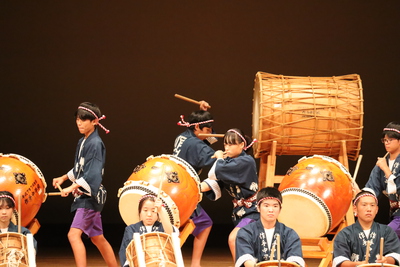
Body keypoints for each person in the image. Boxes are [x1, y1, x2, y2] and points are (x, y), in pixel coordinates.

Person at [52, 102, 118, 267]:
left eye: (84, 119)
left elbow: (92, 174)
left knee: (73, 235)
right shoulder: (83, 141)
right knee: (97, 238)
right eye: (77, 119)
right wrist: (63, 178)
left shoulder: (95, 143)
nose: (79, 123)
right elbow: (80, 168)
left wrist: (71, 187)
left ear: (95, 121)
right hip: (86, 195)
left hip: (89, 196)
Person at [173, 100, 220, 267]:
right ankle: (194, 264)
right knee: (204, 223)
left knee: (177, 227)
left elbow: (208, 140)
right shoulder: (195, 144)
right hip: (183, 191)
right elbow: (214, 158)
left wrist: (202, 113)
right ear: (197, 128)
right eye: (207, 130)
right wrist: (224, 155)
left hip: (173, 186)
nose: (210, 133)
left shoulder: (184, 136)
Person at [204, 128, 259, 261]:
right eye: (225, 144)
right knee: (242, 245)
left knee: (235, 239)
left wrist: (219, 157)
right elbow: (214, 181)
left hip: (253, 210)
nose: (227, 148)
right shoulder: (228, 162)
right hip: (239, 211)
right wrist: (193, 187)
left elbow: (216, 172)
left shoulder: (246, 161)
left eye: (231, 144)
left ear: (241, 145)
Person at [235, 187, 304, 267]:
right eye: (266, 206)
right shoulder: (246, 232)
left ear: (280, 209)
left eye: (275, 206)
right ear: (258, 208)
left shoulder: (289, 233)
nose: (271, 210)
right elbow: (246, 259)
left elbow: (295, 259)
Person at [333, 190, 400, 267]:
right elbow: (339, 260)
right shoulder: (345, 234)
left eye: (372, 205)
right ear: (355, 209)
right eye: (364, 205)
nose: (369, 209)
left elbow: (395, 256)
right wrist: (356, 265)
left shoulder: (387, 231)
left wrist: (386, 260)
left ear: (376, 209)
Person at [363, 121, 400, 238]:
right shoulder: (381, 164)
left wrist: (386, 170)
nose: (386, 142)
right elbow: (372, 187)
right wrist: (362, 197)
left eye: (390, 139)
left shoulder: (383, 165)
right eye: (385, 140)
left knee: (384, 236)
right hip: (395, 213)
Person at [118, 194, 176, 267]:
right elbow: (125, 252)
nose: (149, 214)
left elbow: (171, 235)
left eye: (153, 211)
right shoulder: (131, 229)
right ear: (140, 212)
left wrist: (160, 210)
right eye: (145, 210)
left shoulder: (163, 227)